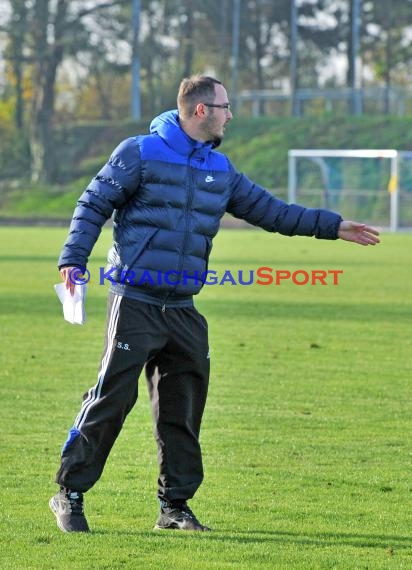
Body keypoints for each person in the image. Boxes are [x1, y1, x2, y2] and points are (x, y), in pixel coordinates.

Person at [49, 74, 380, 534]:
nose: (230, 114)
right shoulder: (138, 152)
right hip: (135, 302)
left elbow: (272, 211)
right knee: (111, 399)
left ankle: (175, 508)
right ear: (201, 110)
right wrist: (73, 260)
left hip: (183, 307)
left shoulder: (220, 169)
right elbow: (92, 205)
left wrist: (332, 225)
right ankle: (69, 493)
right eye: (225, 106)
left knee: (182, 411)